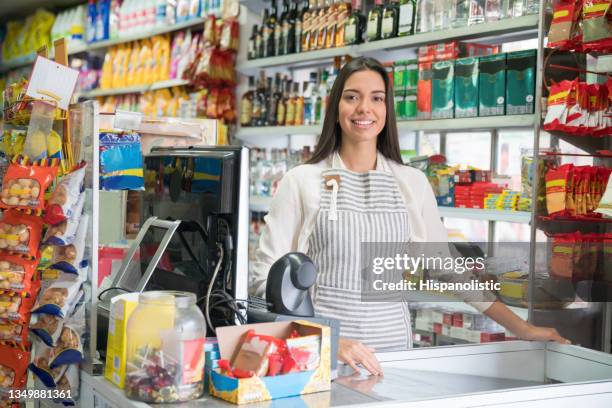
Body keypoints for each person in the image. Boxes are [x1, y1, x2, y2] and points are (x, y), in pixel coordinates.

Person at [250, 57, 569, 376]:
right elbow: (264, 281)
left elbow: (449, 270)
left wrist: (523, 328)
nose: (364, 108)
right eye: (352, 97)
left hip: (393, 359)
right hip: (321, 358)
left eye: (376, 98)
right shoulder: (301, 181)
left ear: (387, 110)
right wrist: (327, 339)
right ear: (336, 107)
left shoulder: (412, 182)